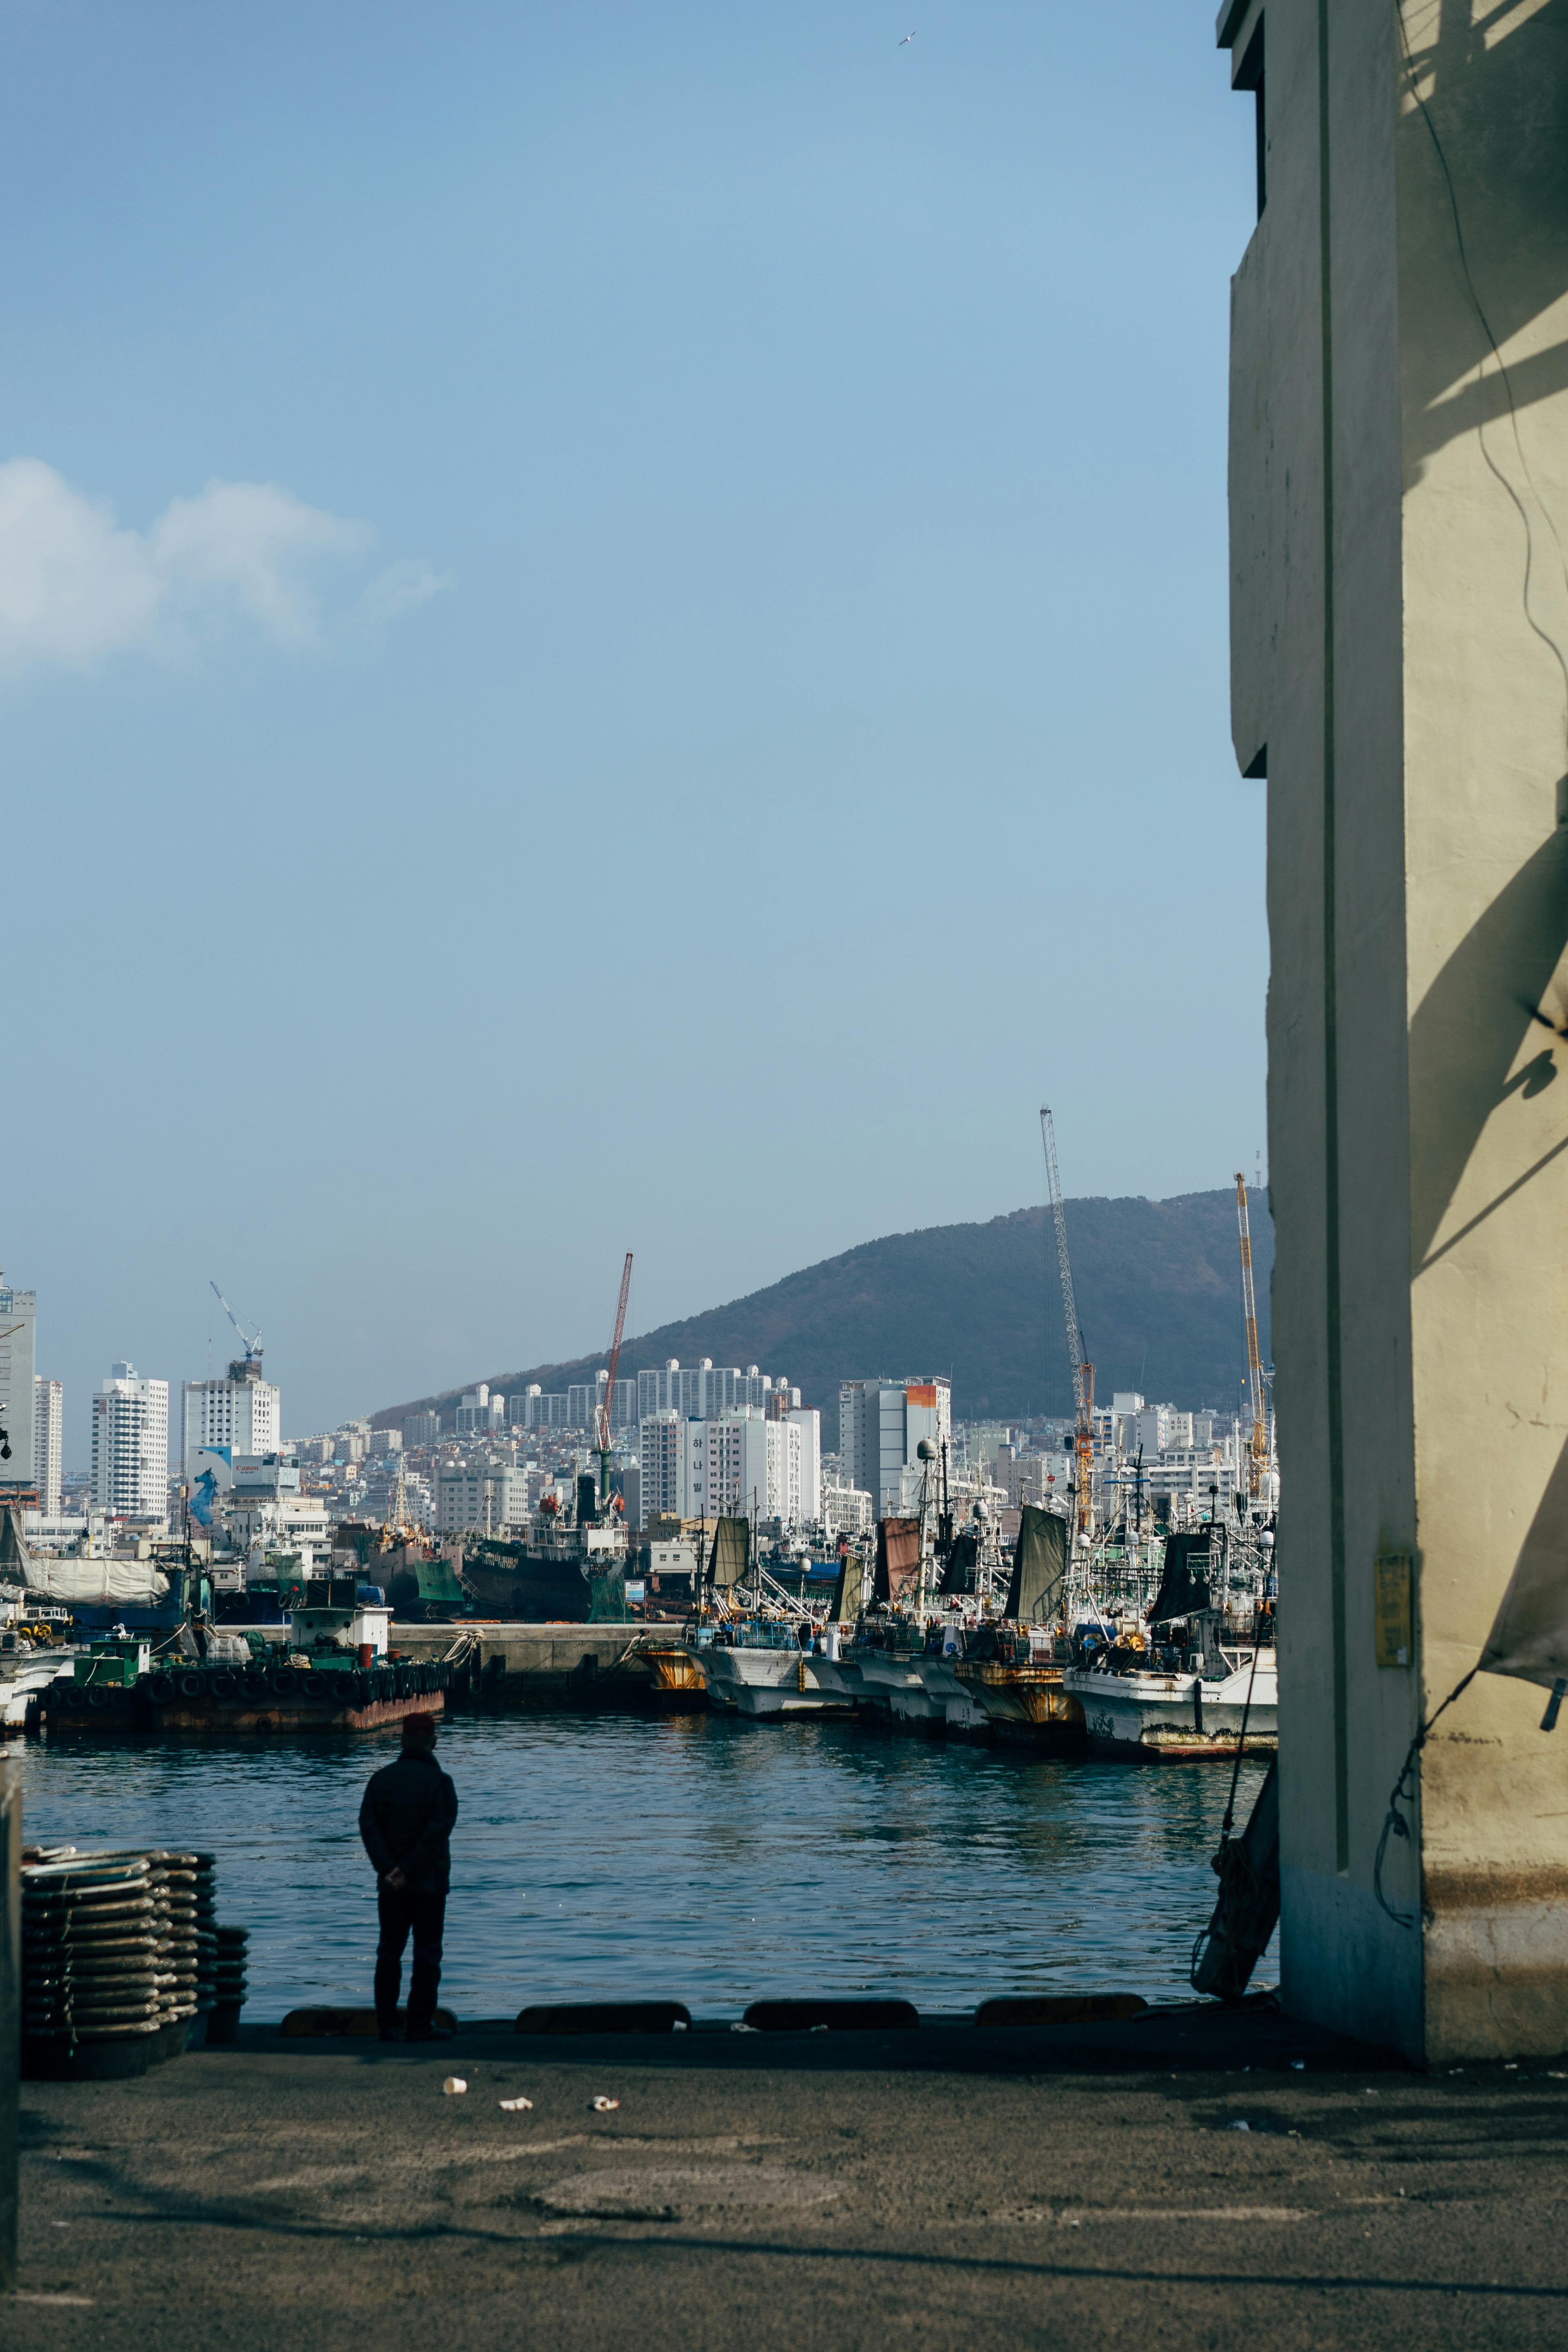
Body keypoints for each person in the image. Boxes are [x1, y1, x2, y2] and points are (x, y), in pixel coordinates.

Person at [359, 1712, 458, 2042]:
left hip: (390, 1886)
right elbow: (437, 1832)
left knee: (389, 1952)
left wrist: (389, 1869)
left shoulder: (380, 1780)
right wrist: (410, 1869)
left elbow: (369, 1828)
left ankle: (387, 2025)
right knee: (427, 1955)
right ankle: (419, 2025)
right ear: (433, 1741)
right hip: (429, 1885)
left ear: (401, 1739)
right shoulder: (441, 1783)